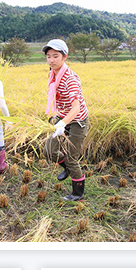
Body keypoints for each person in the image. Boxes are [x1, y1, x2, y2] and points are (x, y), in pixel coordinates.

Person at [42, 39, 89, 201]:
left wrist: (62, 123)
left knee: (71, 158)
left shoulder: (70, 79)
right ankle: (67, 168)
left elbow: (75, 108)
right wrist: (58, 119)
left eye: (55, 56)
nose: (51, 60)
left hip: (77, 121)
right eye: (48, 56)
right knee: (48, 151)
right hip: (61, 115)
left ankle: (78, 193)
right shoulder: (52, 74)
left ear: (64, 57)